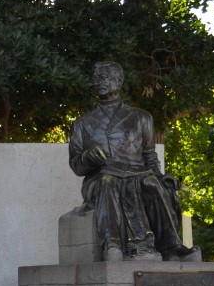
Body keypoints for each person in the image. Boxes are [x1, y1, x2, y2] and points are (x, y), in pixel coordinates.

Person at [68, 61, 201, 262]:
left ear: (119, 81)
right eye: (95, 79)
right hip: (99, 178)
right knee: (108, 181)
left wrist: (160, 176)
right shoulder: (82, 124)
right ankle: (112, 244)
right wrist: (89, 157)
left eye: (103, 77)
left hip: (137, 174)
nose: (98, 82)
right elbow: (76, 165)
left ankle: (172, 248)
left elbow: (149, 156)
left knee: (151, 183)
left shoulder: (142, 118)